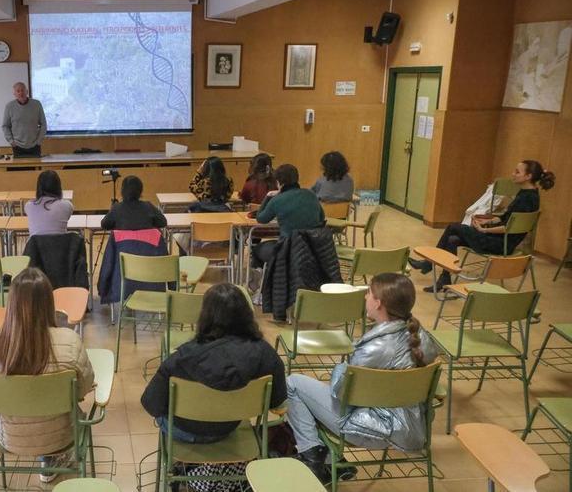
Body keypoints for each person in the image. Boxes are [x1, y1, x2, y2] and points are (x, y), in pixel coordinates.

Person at [285, 273, 437, 485]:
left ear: (379, 303)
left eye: (368, 293)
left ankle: (315, 458)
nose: (365, 297)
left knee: (293, 384)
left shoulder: (375, 349)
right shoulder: (423, 339)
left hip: (371, 427)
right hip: (410, 426)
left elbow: (339, 392)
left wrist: (342, 367)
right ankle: (330, 459)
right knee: (310, 396)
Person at [0, 267, 94, 483]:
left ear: (12, 304)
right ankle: (52, 458)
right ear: (49, 303)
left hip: (10, 438)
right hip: (61, 435)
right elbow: (84, 388)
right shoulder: (70, 341)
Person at [141, 283, 286, 443]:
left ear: (205, 315)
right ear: (246, 314)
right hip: (227, 428)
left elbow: (151, 403)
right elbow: (277, 403)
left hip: (182, 430)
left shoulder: (182, 358)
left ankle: (179, 464)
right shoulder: (265, 353)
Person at [408, 159, 555, 292]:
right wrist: (487, 221)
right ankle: (444, 278)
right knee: (453, 239)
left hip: (501, 243)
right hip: (501, 240)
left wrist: (484, 230)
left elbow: (508, 228)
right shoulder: (529, 194)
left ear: (528, 176)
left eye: (517, 172)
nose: (513, 174)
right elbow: (506, 219)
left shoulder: (526, 199)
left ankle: (429, 264)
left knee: (453, 227)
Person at [250, 164, 325, 268]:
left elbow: (261, 219)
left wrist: (267, 197)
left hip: (287, 250)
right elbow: (321, 218)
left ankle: (267, 280)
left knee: (256, 250)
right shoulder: (311, 195)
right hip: (311, 248)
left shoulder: (277, 200)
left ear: (279, 182)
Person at [101, 176, 167, 230]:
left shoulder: (116, 208)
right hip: (145, 245)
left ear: (122, 191)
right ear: (140, 191)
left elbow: (104, 225)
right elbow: (163, 222)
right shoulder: (148, 206)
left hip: (123, 246)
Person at [2, 82, 47, 158]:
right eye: (18, 91)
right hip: (17, 146)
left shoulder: (36, 104)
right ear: (14, 94)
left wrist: (39, 141)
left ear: (27, 91)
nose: (21, 93)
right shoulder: (9, 106)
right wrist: (11, 141)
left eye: (22, 90)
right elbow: (5, 126)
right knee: (19, 169)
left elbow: (43, 124)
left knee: (36, 169)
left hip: (35, 145)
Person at [25, 170, 73, 236]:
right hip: (60, 245)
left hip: (36, 246)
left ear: (39, 187)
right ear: (58, 186)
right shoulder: (67, 205)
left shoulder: (29, 206)